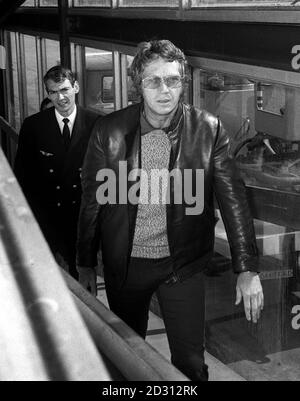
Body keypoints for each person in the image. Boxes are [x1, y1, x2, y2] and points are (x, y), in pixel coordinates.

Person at [76, 40, 264, 381]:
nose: (165, 90)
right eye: (154, 81)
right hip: (126, 266)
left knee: (191, 365)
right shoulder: (109, 132)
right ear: (139, 85)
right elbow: (93, 202)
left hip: (183, 266)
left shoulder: (208, 129)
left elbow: (232, 198)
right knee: (128, 359)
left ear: (183, 82)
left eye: (173, 80)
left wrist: (247, 268)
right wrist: (86, 262)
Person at [14, 65, 99, 279]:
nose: (60, 97)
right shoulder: (33, 126)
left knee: (83, 281)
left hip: (82, 218)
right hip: (48, 218)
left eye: (65, 89)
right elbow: (23, 178)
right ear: (47, 94)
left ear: (76, 87)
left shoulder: (97, 123)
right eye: (53, 92)